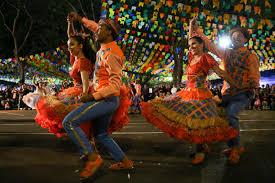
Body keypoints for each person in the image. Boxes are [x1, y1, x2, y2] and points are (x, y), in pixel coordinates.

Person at [141, 35, 238, 165]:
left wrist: (236, 85)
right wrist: (192, 26)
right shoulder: (192, 57)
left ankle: (200, 151)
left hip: (200, 95)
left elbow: (221, 73)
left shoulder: (206, 57)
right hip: (187, 92)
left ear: (202, 44)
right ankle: (202, 147)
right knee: (188, 120)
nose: (191, 47)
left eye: (194, 44)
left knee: (197, 122)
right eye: (190, 44)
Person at [63, 12, 133, 179]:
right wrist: (79, 20)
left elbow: (115, 86)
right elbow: (93, 26)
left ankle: (93, 158)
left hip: (106, 99)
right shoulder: (105, 44)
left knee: (70, 122)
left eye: (100, 29)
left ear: (108, 33)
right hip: (106, 99)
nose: (96, 30)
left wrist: (92, 96)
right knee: (101, 135)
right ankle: (125, 162)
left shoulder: (112, 54)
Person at [190, 17, 260, 164]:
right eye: (233, 37)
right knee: (216, 117)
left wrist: (254, 89)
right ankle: (231, 145)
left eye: (239, 37)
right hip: (227, 93)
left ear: (245, 40)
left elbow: (254, 74)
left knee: (231, 114)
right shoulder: (226, 53)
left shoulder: (251, 56)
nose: (236, 39)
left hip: (242, 92)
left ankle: (235, 149)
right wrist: (195, 30)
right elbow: (209, 45)